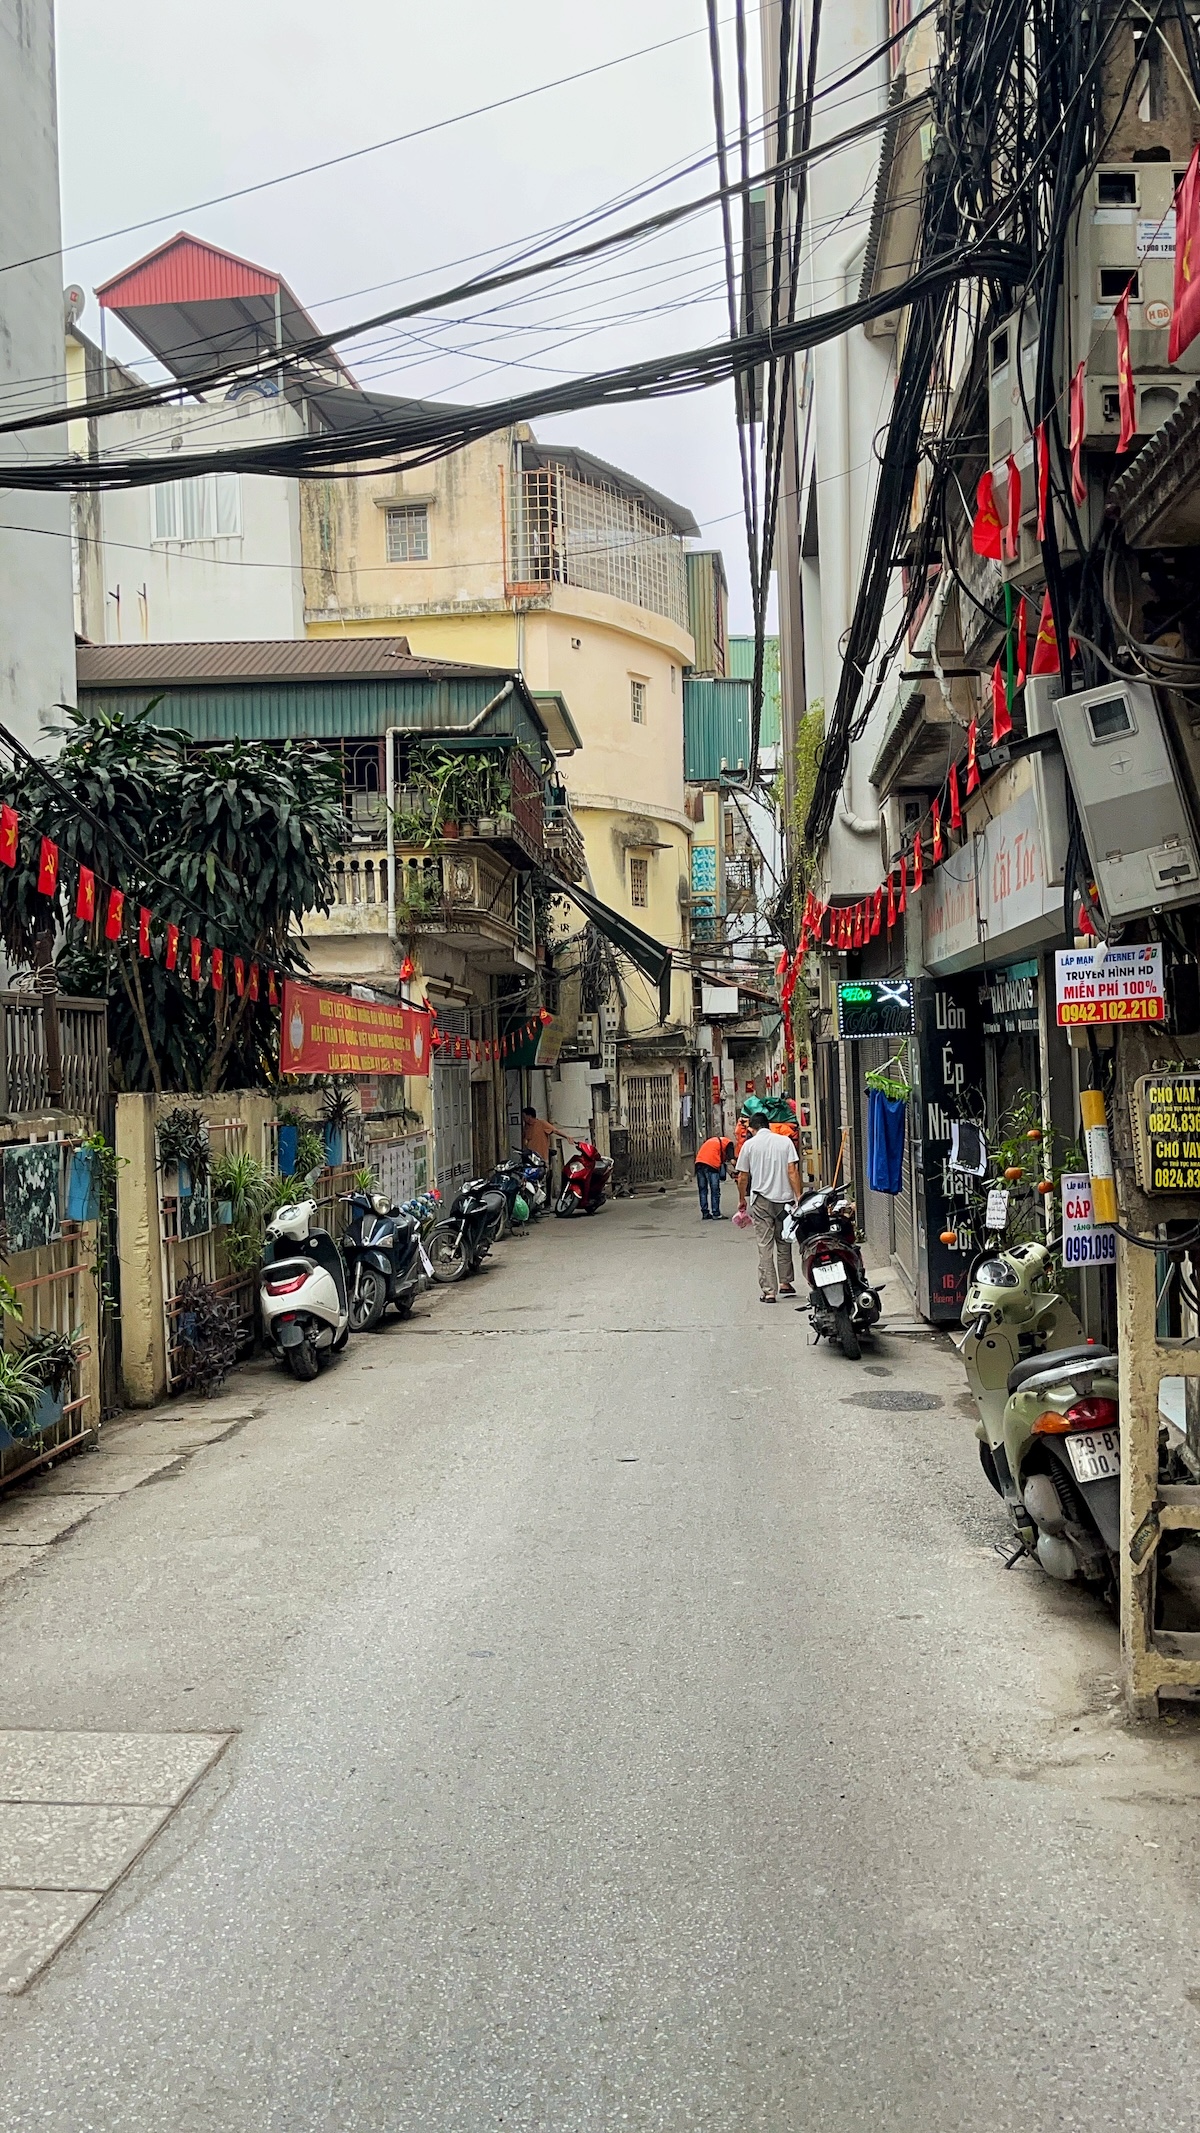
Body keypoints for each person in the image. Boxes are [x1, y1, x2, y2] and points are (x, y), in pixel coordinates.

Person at [736, 1112, 802, 1302]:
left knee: (765, 1244)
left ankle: (769, 1290)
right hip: (785, 1200)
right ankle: (785, 1282)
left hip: (761, 1201)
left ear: (752, 1128)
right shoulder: (785, 1142)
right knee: (783, 1239)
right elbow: (792, 1171)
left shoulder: (749, 1145)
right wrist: (798, 1197)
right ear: (769, 1125)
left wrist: (742, 1199)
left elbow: (743, 1176)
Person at [694, 1133, 734, 1220]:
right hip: (711, 1165)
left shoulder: (713, 1141)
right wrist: (738, 1171)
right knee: (715, 1190)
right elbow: (732, 1160)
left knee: (703, 1190)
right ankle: (716, 1213)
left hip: (699, 1163)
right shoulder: (729, 1143)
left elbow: (723, 1162)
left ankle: (705, 1213)